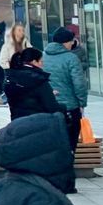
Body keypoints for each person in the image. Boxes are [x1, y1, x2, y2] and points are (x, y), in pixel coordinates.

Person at [43, 26, 88, 190]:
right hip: (70, 106)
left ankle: (51, 178)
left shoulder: (42, 56)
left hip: (48, 106)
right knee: (69, 144)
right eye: (71, 42)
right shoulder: (71, 58)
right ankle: (67, 181)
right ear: (66, 42)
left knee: (52, 144)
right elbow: (79, 83)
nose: (72, 44)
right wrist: (82, 102)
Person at [4, 48, 63, 120]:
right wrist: (64, 107)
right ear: (34, 62)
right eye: (41, 61)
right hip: (38, 122)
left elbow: (26, 96)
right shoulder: (38, 79)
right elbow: (52, 107)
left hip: (17, 121)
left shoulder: (11, 78)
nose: (43, 64)